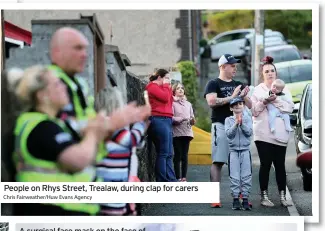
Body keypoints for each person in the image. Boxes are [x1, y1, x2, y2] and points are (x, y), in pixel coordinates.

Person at [5, 65, 109, 215]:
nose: (63, 86)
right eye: (57, 84)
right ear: (42, 95)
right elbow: (78, 160)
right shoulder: (42, 127)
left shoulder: (48, 123)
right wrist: (93, 133)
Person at [204, 54, 252, 208]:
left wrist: (244, 96)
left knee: (237, 162)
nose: (235, 68)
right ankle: (214, 197)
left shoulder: (238, 83)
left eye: (236, 65)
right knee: (218, 161)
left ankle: (240, 196)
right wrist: (232, 97)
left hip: (239, 126)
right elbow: (211, 102)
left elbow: (250, 105)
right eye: (232, 65)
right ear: (223, 66)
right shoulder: (213, 83)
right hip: (221, 126)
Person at [94, 85, 151, 216]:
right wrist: (140, 123)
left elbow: (137, 143)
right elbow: (132, 140)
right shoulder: (109, 126)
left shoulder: (104, 125)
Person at [251, 56, 294, 207]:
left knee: (280, 165)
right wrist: (265, 101)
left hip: (281, 135)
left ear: (276, 73)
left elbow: (290, 108)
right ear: (262, 74)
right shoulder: (258, 90)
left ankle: (283, 196)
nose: (270, 73)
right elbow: (254, 111)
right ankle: (264, 196)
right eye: (267, 71)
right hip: (263, 134)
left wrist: (275, 100)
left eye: (272, 71)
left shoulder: (285, 88)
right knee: (265, 164)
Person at [145, 69, 177, 182]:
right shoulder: (152, 86)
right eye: (167, 78)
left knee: (169, 153)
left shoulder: (163, 87)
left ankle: (171, 180)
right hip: (158, 119)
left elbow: (170, 100)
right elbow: (164, 98)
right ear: (159, 77)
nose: (168, 81)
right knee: (163, 153)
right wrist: (166, 86)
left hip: (166, 119)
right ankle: (162, 181)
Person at [225, 97, 253, 211]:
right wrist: (236, 124)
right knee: (234, 175)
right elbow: (229, 134)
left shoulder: (247, 119)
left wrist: (242, 124)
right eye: (235, 104)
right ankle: (235, 198)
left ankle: (245, 198)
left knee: (246, 174)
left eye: (240, 104)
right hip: (233, 151)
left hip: (245, 150)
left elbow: (249, 133)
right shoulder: (228, 120)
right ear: (231, 108)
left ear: (244, 106)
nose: (238, 106)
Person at [171, 82, 195, 182]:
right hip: (176, 132)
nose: (180, 90)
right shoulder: (172, 103)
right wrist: (180, 119)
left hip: (187, 132)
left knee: (185, 155)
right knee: (177, 155)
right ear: (174, 91)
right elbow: (171, 118)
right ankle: (177, 177)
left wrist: (192, 120)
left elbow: (192, 117)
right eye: (178, 88)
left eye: (182, 88)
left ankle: (184, 177)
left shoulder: (188, 104)